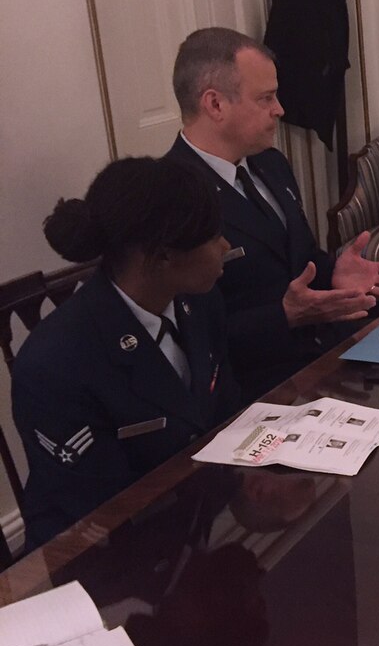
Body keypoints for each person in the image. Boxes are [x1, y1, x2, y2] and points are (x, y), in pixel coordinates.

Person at [12, 157, 241, 550]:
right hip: (106, 566)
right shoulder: (54, 366)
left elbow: (224, 414)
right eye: (212, 235)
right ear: (162, 255)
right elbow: (100, 514)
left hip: (198, 523)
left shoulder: (198, 303)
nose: (226, 246)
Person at [165, 27, 379, 400]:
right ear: (215, 105)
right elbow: (186, 338)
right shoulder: (171, 195)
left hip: (325, 355)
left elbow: (300, 259)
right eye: (266, 98)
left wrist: (334, 272)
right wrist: (285, 315)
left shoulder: (270, 164)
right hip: (257, 386)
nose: (280, 110)